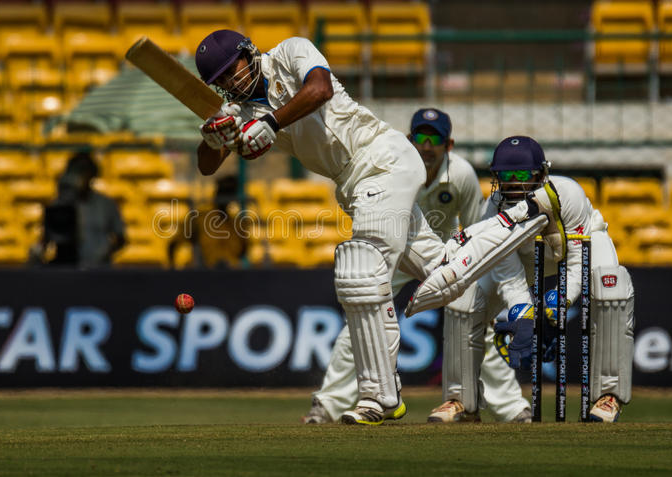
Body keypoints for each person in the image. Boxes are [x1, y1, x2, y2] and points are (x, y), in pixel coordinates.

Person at [193, 29, 565, 425]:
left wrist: (269, 122)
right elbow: (206, 164)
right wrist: (215, 140)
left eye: (231, 70)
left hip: (381, 158)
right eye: (220, 80)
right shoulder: (238, 115)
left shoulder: (289, 52)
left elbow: (319, 89)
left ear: (248, 53)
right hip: (353, 185)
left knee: (361, 271)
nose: (230, 82)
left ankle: (380, 397)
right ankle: (526, 217)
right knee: (448, 274)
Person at [301, 108, 532, 424]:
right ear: (409, 141)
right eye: (420, 138)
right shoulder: (392, 168)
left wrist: (469, 269)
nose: (426, 146)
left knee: (473, 317)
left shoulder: (460, 175)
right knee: (361, 324)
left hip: (444, 254)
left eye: (434, 139)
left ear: (448, 145)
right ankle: (326, 406)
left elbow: (475, 226)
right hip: (395, 250)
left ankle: (512, 408)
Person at [437, 136, 634, 422]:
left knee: (610, 286)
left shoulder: (568, 194)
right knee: (464, 298)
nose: (514, 183)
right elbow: (508, 274)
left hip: (582, 243)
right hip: (527, 257)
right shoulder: (493, 211)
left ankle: (608, 396)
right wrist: (524, 315)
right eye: (505, 176)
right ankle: (462, 401)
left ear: (542, 174)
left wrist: (561, 299)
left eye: (522, 175)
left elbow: (578, 259)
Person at [31, 152, 126, 267]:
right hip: (68, 269)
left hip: (98, 270)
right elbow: (47, 238)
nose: (81, 176)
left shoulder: (106, 204)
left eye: (84, 171)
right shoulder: (59, 204)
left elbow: (120, 238)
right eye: (77, 171)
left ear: (92, 174)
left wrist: (104, 254)